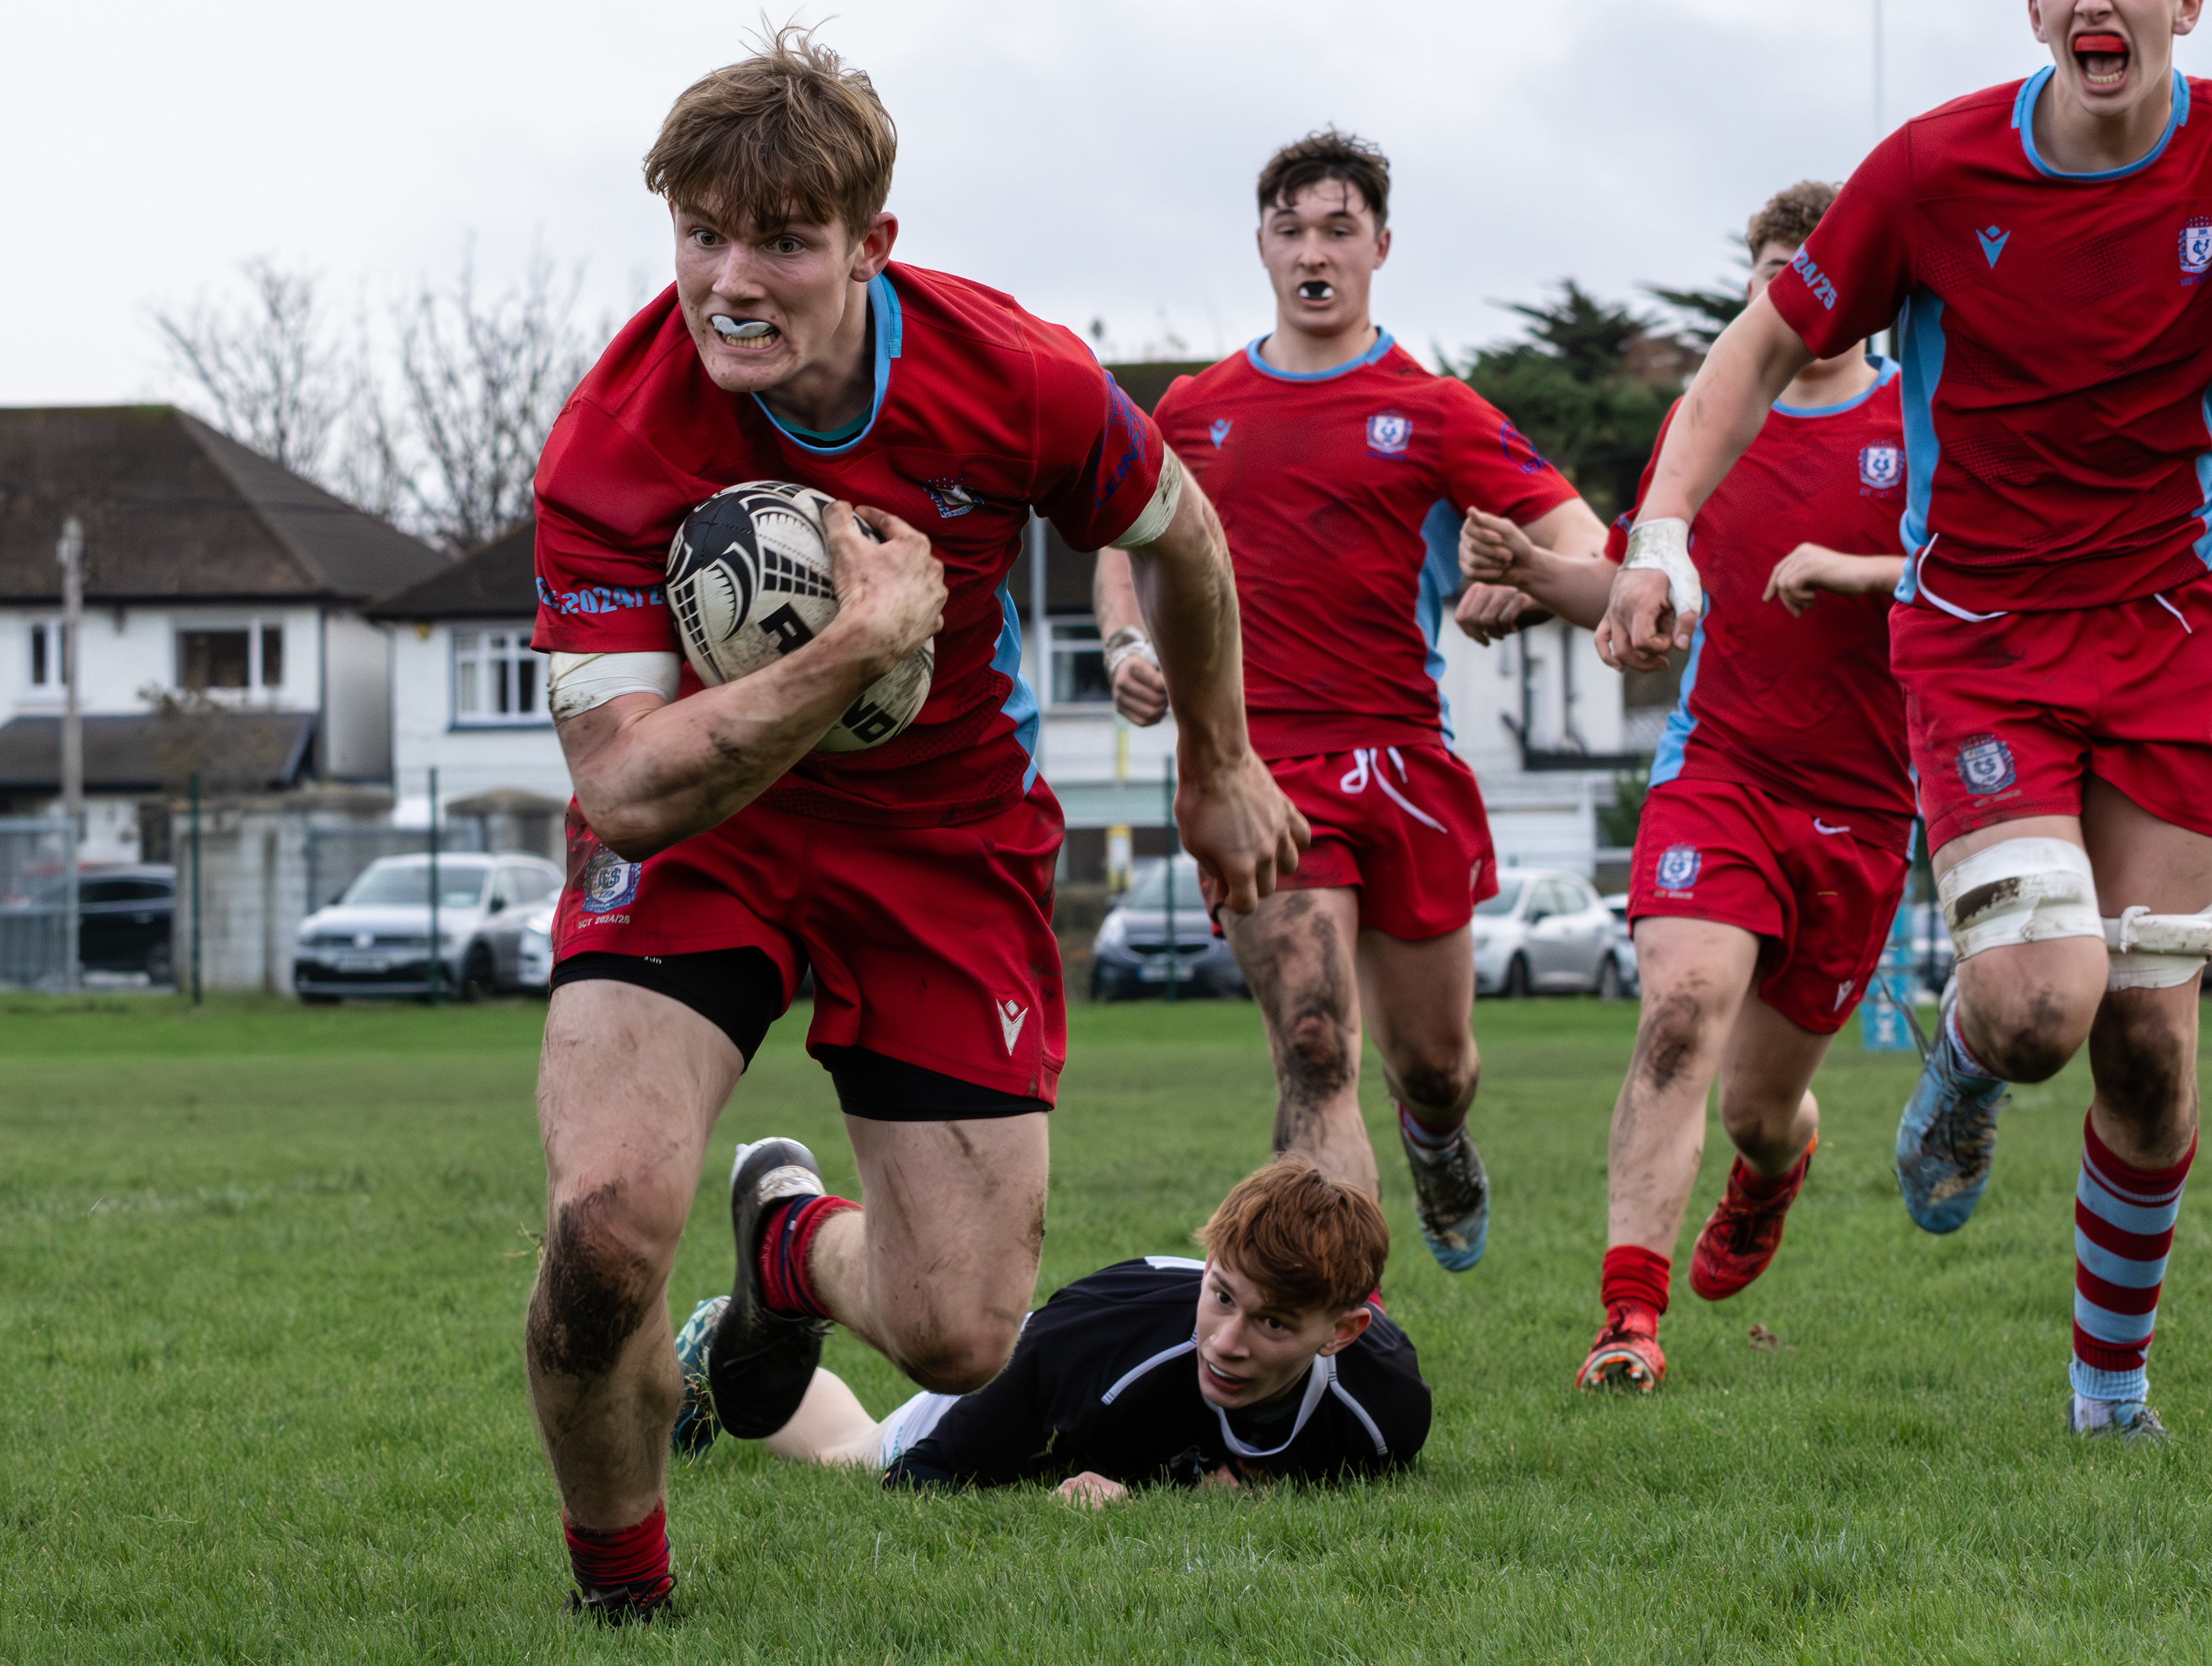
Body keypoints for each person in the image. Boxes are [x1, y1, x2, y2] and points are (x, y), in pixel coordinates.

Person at [524, 27, 1304, 1620]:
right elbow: (623, 787)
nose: (729, 281)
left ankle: (787, 1252)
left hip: (940, 837)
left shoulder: (1008, 372)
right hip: (708, 826)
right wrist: (854, 648)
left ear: (874, 246)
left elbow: (1181, 534)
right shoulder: (613, 436)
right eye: (698, 233)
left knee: (960, 1330)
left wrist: (1217, 759)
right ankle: (623, 1591)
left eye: (783, 242)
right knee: (604, 1228)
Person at [1600, 2, 2211, 1439]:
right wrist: (1664, 533)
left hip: (2173, 639)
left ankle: (2109, 1397)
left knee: (2151, 1045)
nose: (2095, 5)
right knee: (2042, 1007)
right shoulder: (1932, 172)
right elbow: (1750, 354)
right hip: (1986, 642)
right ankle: (1971, 1042)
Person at [1094, 129, 1606, 1264]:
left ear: (1381, 245)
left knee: (1436, 1063)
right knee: (1316, 1045)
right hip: (1253, 771)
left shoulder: (1433, 410)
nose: (1314, 253)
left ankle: (1436, 1136)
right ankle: (1336, 1325)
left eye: (1338, 230)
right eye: (1292, 231)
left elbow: (1585, 543)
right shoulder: (1193, 409)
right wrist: (1127, 641)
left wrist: (1525, 582)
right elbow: (1123, 539)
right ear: (1263, 248)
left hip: (1403, 762)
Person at [1464, 184, 1914, 1390]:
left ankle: (1772, 1171)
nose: (1793, 289)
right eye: (1772, 267)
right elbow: (1629, 579)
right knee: (1678, 1011)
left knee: (1760, 1112)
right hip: (1720, 770)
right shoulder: (1709, 418)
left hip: (1865, 808)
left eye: (1815, 269)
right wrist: (1534, 573)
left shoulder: (1921, 420)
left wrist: (1852, 569)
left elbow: (1971, 576)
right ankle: (1628, 1321)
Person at [673, 1156, 1429, 1497]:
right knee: (853, 1455)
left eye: (1273, 1323)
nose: (1228, 1342)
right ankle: (728, 1333)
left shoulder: (1386, 1407)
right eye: (1222, 1296)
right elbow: (924, 1478)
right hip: (1048, 1355)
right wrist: (1069, 1492)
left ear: (1343, 1332)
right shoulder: (1096, 1352)